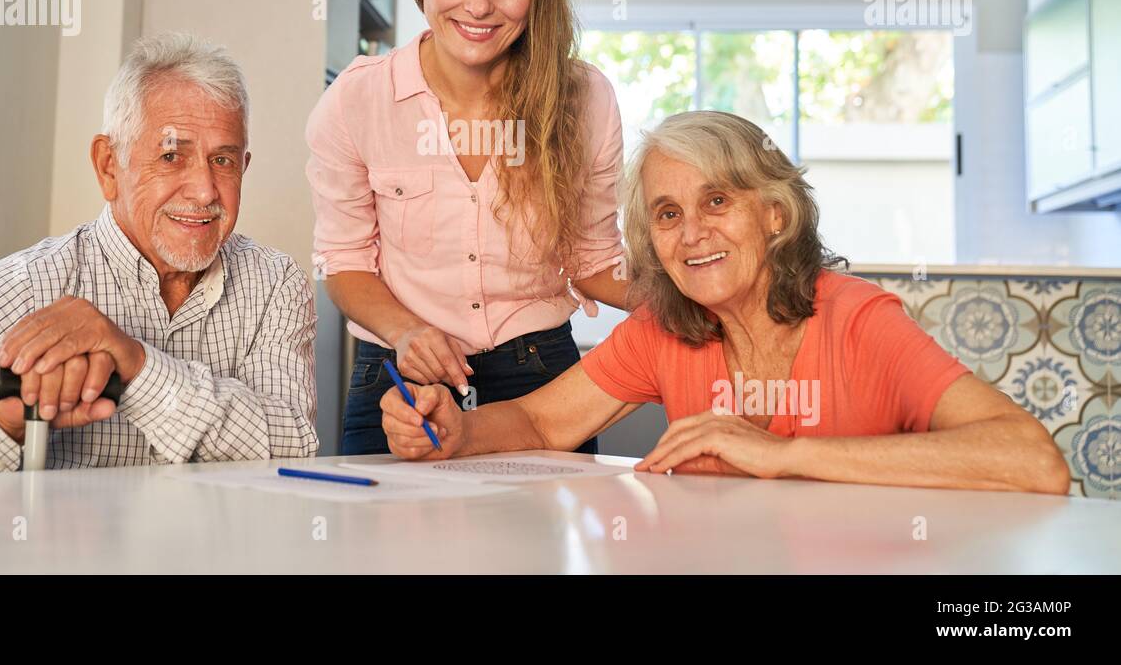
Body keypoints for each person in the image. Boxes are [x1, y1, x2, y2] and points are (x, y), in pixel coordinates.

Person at [381, 111, 1071, 495]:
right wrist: (455, 430)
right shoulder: (666, 329)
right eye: (669, 213)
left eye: (717, 200)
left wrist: (783, 452)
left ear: (774, 215)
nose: (693, 232)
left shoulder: (859, 319)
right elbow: (538, 421)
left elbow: (1032, 460)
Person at [0, 34, 318, 475]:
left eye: (223, 160)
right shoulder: (23, 288)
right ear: (108, 166)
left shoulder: (274, 282)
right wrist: (3, 426)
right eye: (172, 157)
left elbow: (295, 447)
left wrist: (135, 363)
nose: (203, 191)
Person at [307, 0, 627, 455]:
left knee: (529, 549)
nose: (479, 5)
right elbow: (346, 260)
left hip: (540, 377)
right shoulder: (357, 101)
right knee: (377, 547)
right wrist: (408, 331)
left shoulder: (585, 99)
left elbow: (595, 257)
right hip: (399, 376)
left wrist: (708, 293)